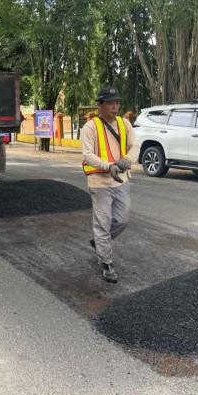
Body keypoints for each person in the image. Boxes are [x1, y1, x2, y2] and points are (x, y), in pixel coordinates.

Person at [81, 87, 140, 283]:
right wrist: (109, 166)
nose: (115, 106)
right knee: (103, 222)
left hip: (121, 180)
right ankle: (106, 262)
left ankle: (99, 242)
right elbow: (88, 155)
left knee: (122, 220)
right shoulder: (90, 127)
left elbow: (135, 146)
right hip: (99, 182)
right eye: (110, 103)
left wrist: (125, 162)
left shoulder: (125, 124)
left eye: (117, 102)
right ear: (100, 105)